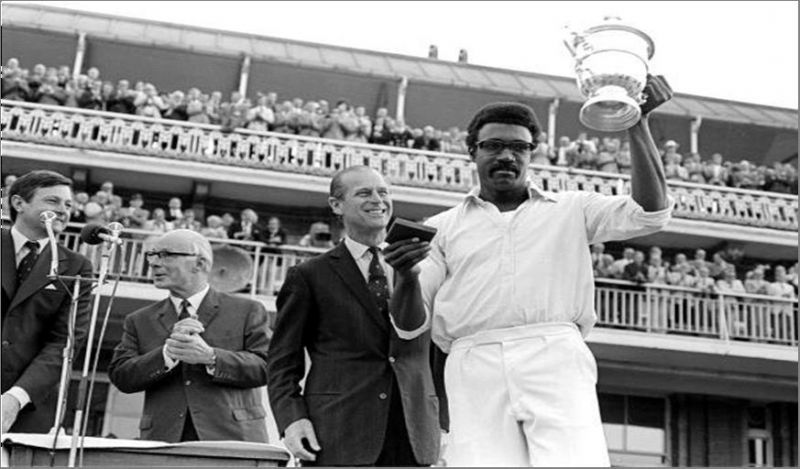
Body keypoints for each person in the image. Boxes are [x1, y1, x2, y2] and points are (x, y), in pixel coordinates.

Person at [412, 75, 674, 466]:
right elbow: (414, 307)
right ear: (472, 152)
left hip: (554, 350)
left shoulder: (573, 207)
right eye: (493, 146)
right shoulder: (440, 227)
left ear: (532, 153)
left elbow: (650, 214)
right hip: (471, 358)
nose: (507, 156)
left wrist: (636, 123)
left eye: (519, 147)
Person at [268, 166, 440, 466]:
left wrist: (445, 421)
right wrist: (292, 420)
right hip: (338, 433)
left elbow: (439, 348)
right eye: (364, 193)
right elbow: (283, 362)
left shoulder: (426, 267)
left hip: (414, 435)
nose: (378, 200)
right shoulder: (308, 275)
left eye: (383, 192)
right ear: (336, 205)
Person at [108, 230, 272, 442]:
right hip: (164, 441)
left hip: (234, 439)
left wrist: (211, 357)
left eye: (166, 254)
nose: (154, 263)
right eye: (152, 255)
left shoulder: (247, 310)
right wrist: (166, 355)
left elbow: (269, 367)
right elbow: (121, 376)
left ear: (201, 264)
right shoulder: (139, 320)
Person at [1, 170, 93, 433]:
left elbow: (64, 342)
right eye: (53, 201)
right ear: (19, 203)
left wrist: (15, 398)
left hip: (27, 410)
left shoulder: (77, 266)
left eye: (68, 205)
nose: (63, 211)